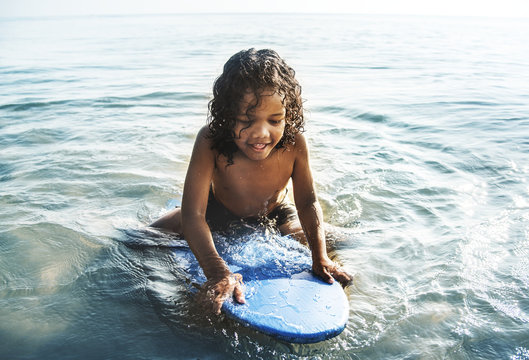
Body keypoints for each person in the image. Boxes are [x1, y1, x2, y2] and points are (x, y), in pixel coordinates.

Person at [150, 48, 352, 314]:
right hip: (218, 211)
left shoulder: (294, 144)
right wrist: (216, 270)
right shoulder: (210, 141)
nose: (261, 133)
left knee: (342, 240)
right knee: (144, 238)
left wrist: (320, 256)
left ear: (288, 115)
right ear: (227, 114)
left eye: (275, 120)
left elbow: (307, 201)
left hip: (274, 213)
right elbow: (194, 214)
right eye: (246, 119)